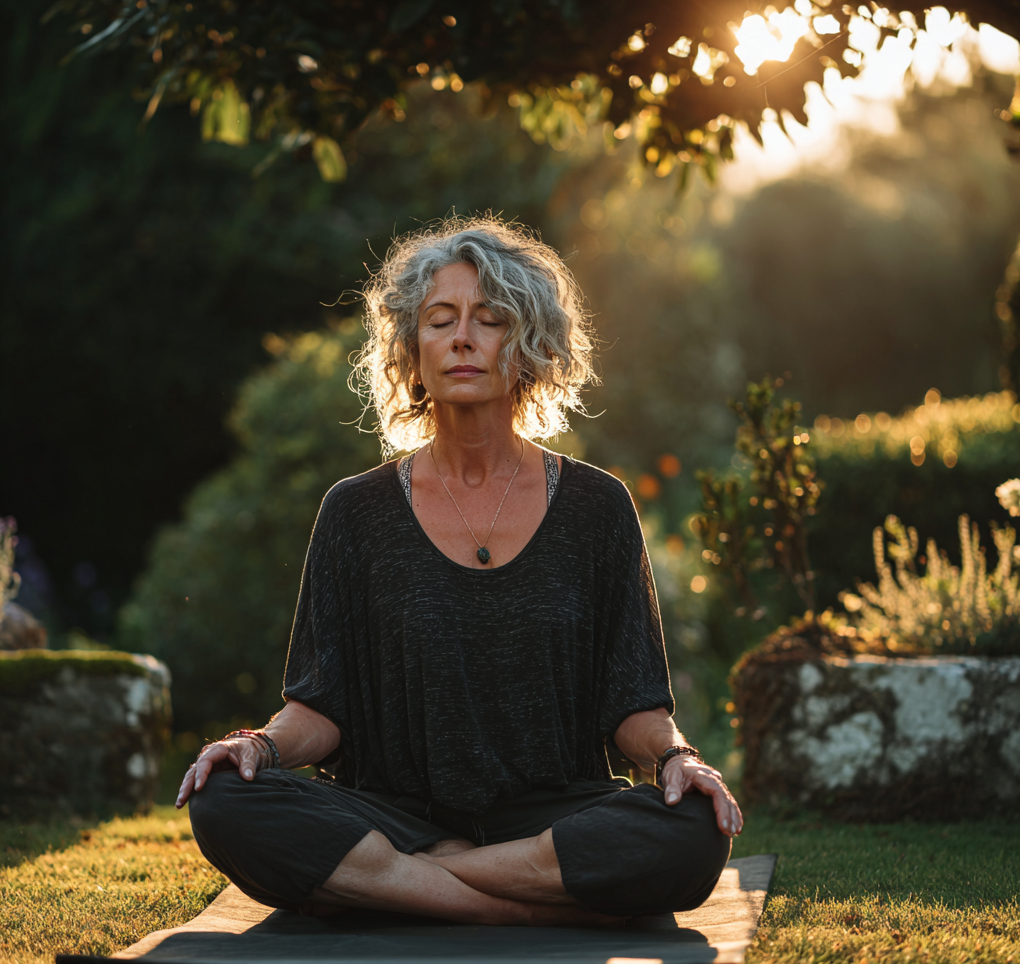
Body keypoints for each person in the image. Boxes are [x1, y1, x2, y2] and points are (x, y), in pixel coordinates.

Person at [177, 217, 743, 927]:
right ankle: (528, 908)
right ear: (414, 352)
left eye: (491, 319)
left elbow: (634, 704)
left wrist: (677, 759)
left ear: (529, 345)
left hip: (550, 817)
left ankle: (400, 885)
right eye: (440, 321)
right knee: (226, 799)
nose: (463, 338)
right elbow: (321, 708)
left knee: (692, 828)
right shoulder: (356, 511)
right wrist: (254, 746)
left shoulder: (599, 506)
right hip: (395, 811)